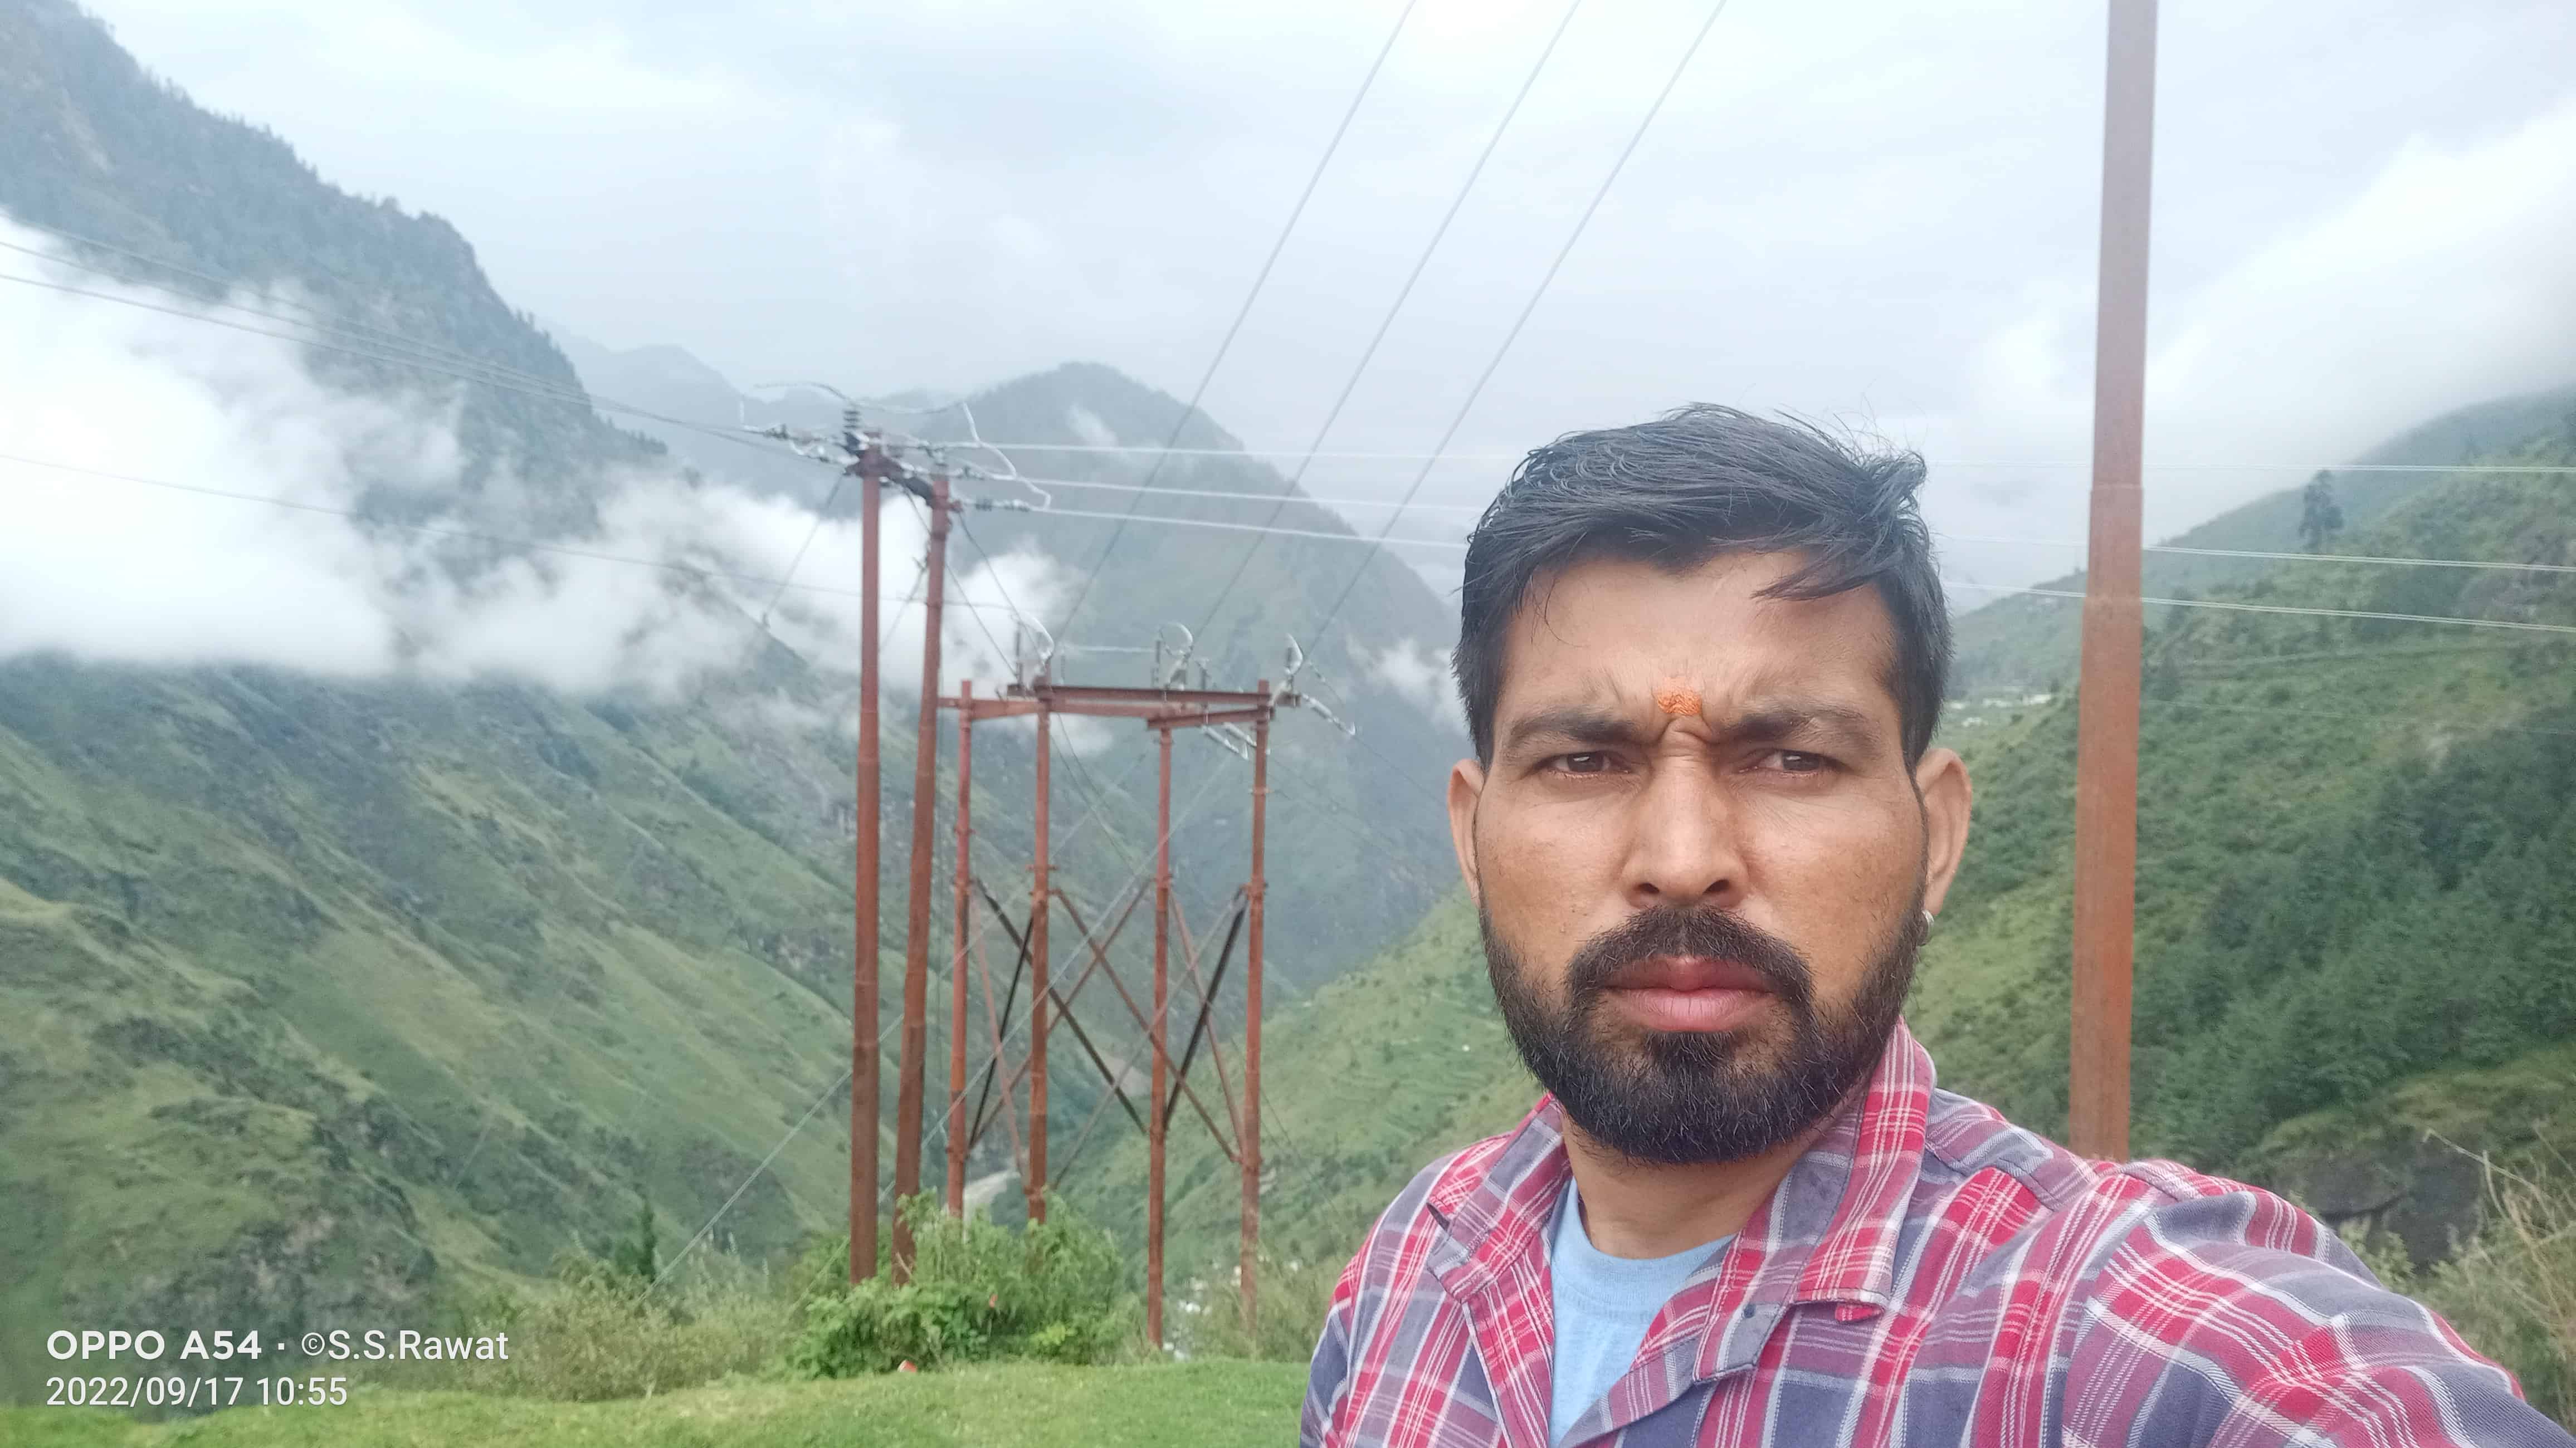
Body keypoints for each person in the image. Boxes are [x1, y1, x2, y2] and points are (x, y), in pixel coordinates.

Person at [1299, 405, 2569, 1447]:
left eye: (1790, 757)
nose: (1682, 863)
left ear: (1938, 837)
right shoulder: (1414, 1264)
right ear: (1472, 837)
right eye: (1583, 760)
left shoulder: (2107, 1341)